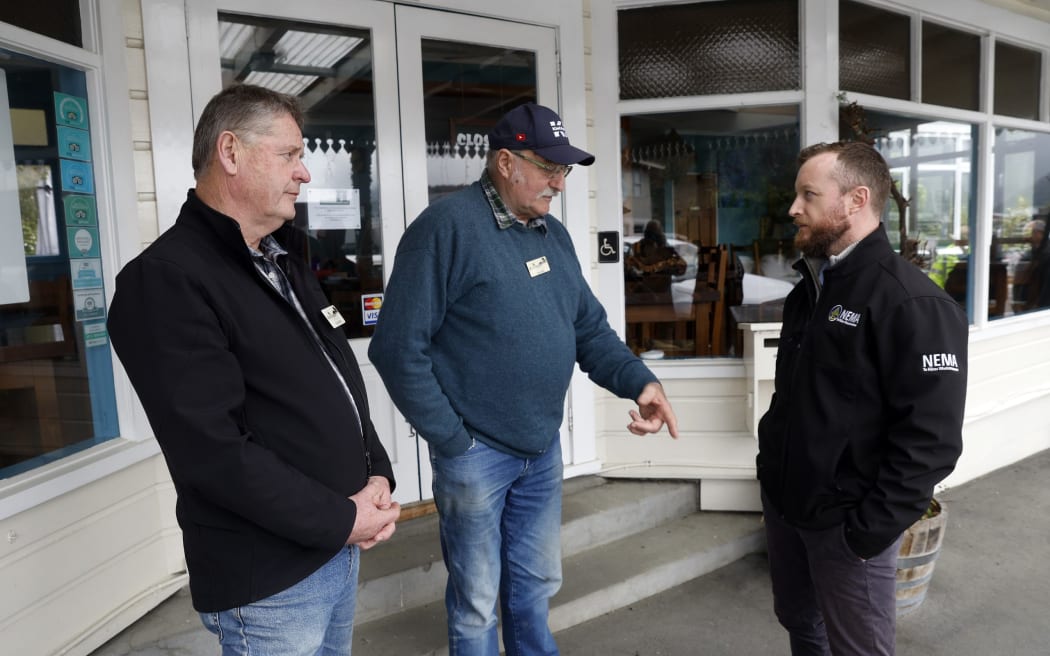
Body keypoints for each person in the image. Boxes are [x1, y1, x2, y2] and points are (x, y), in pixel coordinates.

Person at [367, 102, 679, 656]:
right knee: (476, 602)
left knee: (534, 586)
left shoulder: (551, 235)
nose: (559, 182)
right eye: (548, 168)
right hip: (476, 454)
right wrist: (453, 439)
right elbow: (396, 349)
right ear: (506, 163)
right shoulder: (445, 229)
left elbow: (588, 328)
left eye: (564, 170)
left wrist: (639, 381)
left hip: (540, 447)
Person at [107, 84, 399, 656]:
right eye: (289, 154)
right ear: (231, 152)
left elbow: (337, 379)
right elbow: (213, 452)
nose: (304, 173)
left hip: (335, 544)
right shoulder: (166, 279)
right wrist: (342, 519)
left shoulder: (281, 258)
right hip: (270, 577)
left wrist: (377, 473)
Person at [756, 141, 968, 655]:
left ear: (856, 200)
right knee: (801, 624)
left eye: (809, 195)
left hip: (847, 527)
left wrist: (865, 533)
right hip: (787, 506)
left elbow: (931, 442)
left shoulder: (911, 302)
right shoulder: (809, 290)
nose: (794, 208)